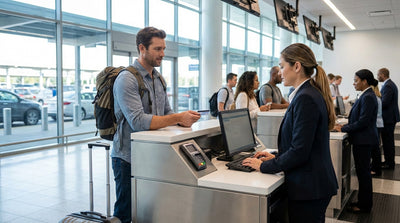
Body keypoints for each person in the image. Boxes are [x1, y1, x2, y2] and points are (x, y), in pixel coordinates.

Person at [112, 27, 200, 223]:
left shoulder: (158, 78)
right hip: (128, 158)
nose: (163, 54)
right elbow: (138, 121)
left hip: (152, 155)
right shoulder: (126, 79)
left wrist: (183, 120)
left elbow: (166, 112)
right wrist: (177, 117)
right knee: (125, 212)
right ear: (142, 48)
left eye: (164, 48)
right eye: (158, 49)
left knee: (147, 209)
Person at [242, 43, 338, 223]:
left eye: (282, 66)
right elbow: (301, 145)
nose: (280, 72)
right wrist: (275, 157)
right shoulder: (307, 94)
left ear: (297, 66)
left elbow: (300, 151)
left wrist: (263, 166)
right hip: (312, 184)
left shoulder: (306, 98)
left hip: (310, 187)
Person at [334, 69, 379, 213]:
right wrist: (345, 125)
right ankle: (362, 202)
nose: (354, 83)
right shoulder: (366, 95)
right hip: (363, 139)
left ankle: (364, 206)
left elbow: (363, 121)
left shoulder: (368, 97)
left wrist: (344, 128)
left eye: (356, 80)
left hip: (363, 140)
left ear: (364, 81)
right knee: (362, 173)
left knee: (364, 174)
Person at [377, 68, 400, 170]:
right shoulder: (389, 84)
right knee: (387, 141)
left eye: (378, 75)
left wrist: (375, 103)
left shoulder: (388, 86)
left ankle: (389, 163)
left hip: (388, 118)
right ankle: (388, 161)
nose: (377, 77)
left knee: (388, 142)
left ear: (382, 74)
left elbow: (384, 102)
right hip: (390, 117)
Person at [371, 85, 383, 176]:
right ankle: (376, 168)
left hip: (376, 124)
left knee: (375, 148)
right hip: (379, 123)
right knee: (376, 148)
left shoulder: (374, 98)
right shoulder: (378, 98)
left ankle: (375, 169)